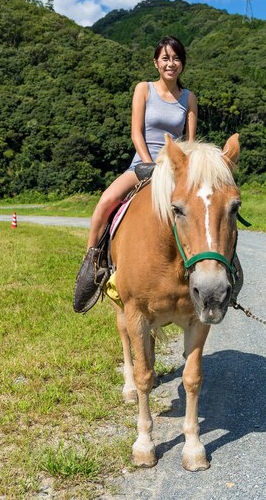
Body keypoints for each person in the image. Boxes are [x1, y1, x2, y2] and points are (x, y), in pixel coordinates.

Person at [73, 36, 198, 313]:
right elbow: (136, 132)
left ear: (182, 64)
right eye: (165, 58)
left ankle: (227, 265)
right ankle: (92, 261)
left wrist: (179, 169)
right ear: (156, 63)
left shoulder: (189, 98)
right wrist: (148, 164)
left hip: (175, 167)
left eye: (176, 58)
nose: (171, 63)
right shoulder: (144, 89)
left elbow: (190, 142)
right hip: (142, 165)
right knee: (106, 201)